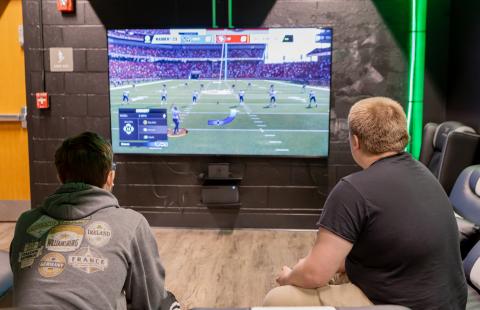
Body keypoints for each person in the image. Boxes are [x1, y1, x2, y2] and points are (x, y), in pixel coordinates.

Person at [263, 97, 467, 309]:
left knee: (278, 299)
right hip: (447, 301)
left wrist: (289, 277)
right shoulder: (425, 175)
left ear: (356, 142)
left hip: (398, 304)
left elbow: (315, 274)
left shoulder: (352, 190)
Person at [9, 132, 179, 310]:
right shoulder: (132, 224)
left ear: (60, 177)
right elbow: (151, 302)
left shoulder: (26, 221)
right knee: (167, 302)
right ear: (110, 177)